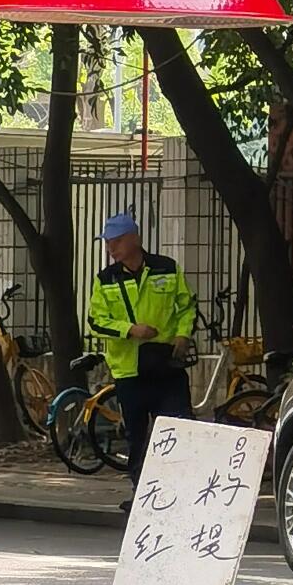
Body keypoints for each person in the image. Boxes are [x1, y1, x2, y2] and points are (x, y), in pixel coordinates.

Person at [87, 212, 197, 500]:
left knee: (177, 429)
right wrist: (130, 329)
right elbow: (96, 321)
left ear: (135, 239)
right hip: (130, 371)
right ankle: (141, 495)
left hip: (166, 365)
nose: (111, 248)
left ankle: (178, 491)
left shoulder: (167, 268)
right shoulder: (105, 279)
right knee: (136, 436)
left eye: (117, 241)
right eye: (108, 242)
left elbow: (186, 306)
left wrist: (183, 335)